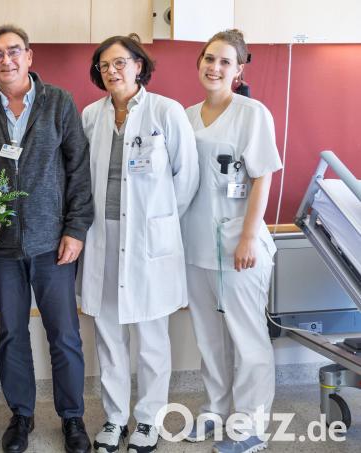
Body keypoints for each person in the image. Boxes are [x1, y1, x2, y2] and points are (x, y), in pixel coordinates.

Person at [0, 25, 94, 453]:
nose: (7, 60)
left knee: (65, 336)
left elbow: (78, 170)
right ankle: (21, 415)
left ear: (30, 56)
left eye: (14, 51)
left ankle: (72, 417)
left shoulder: (58, 103)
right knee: (12, 334)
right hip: (2, 248)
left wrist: (75, 229)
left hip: (53, 244)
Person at [77, 34, 199, 453]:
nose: (112, 71)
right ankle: (115, 419)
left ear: (139, 65)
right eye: (104, 65)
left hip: (148, 240)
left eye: (120, 63)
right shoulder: (91, 115)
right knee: (109, 335)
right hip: (102, 236)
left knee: (151, 337)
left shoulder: (166, 111)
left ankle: (147, 420)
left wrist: (158, 222)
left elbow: (187, 178)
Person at [181, 29, 282, 453]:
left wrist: (247, 238)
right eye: (209, 58)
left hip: (240, 246)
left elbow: (263, 177)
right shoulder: (185, 116)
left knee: (246, 335)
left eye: (225, 62)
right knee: (208, 336)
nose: (214, 67)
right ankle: (216, 408)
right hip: (196, 244)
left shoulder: (252, 113)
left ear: (238, 71)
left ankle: (252, 426)